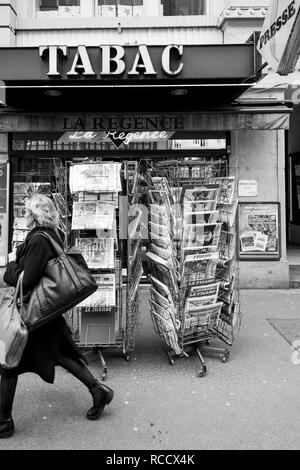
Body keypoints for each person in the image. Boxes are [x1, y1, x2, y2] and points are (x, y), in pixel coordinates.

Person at [0, 194, 114, 439]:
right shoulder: (51, 235)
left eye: (27, 211)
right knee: (60, 354)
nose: (24, 215)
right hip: (46, 314)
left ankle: (4, 421)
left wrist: (11, 266)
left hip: (36, 315)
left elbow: (27, 279)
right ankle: (98, 391)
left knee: (9, 362)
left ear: (36, 215)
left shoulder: (39, 240)